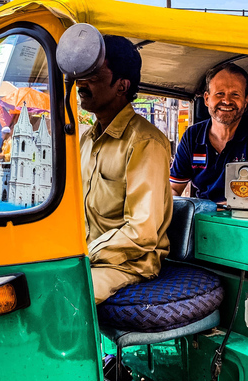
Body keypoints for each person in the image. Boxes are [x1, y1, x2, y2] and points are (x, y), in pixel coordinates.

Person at [78, 35, 173, 304]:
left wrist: (82, 254)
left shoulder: (145, 142)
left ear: (121, 85)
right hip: (87, 255)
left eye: (94, 76)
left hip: (126, 263)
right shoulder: (86, 139)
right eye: (82, 74)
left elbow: (141, 232)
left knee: (65, 295)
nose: (81, 84)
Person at [170, 63, 248, 211]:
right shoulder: (192, 136)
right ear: (206, 99)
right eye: (220, 93)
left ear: (245, 101)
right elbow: (173, 189)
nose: (226, 101)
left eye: (235, 94)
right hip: (202, 221)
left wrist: (202, 208)